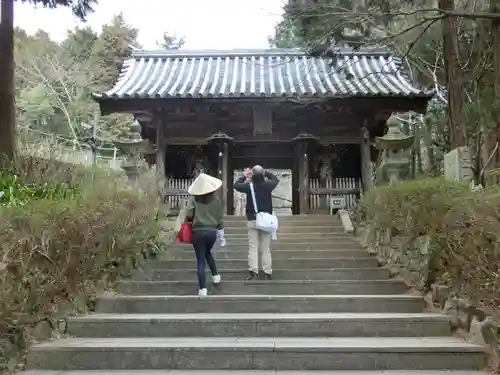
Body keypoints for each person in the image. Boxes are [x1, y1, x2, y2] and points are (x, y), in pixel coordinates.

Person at [234, 165, 279, 280]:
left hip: (252, 219)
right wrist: (266, 172)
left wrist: (244, 176)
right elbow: (275, 179)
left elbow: (236, 185)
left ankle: (253, 271)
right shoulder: (268, 185)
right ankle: (267, 271)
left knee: (253, 247)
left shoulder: (249, 186)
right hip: (266, 220)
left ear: (253, 175)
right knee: (266, 248)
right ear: (262, 174)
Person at [186, 173, 224, 297]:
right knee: (207, 252)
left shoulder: (193, 200)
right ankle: (215, 276)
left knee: (201, 260)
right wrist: (221, 231)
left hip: (198, 232)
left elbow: (189, 215)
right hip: (212, 232)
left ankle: (203, 289)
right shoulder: (216, 200)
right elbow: (219, 218)